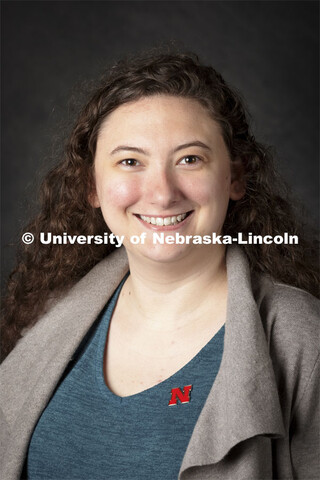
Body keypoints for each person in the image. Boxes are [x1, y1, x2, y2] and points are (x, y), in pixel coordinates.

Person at [1, 51, 319, 480]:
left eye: (190, 159)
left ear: (235, 178)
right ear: (92, 186)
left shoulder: (300, 336)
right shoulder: (49, 316)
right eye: (130, 161)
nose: (162, 193)